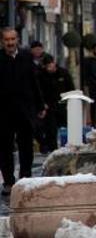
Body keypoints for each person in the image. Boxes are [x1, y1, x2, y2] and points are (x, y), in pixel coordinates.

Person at [0, 27, 45, 196]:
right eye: (7, 40)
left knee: (26, 146)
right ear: (2, 41)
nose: (10, 43)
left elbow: (34, 83)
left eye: (12, 39)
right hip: (4, 112)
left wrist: (40, 105)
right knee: (4, 148)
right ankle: (9, 182)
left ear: (17, 39)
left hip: (25, 110)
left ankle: (25, 178)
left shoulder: (26, 57)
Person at [37, 53, 75, 153]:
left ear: (54, 63)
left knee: (68, 127)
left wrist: (69, 102)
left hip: (62, 105)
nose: (49, 69)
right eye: (47, 67)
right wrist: (42, 104)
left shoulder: (63, 73)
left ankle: (69, 147)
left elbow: (71, 88)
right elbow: (39, 90)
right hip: (49, 107)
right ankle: (53, 149)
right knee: (51, 129)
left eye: (51, 65)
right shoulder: (41, 75)